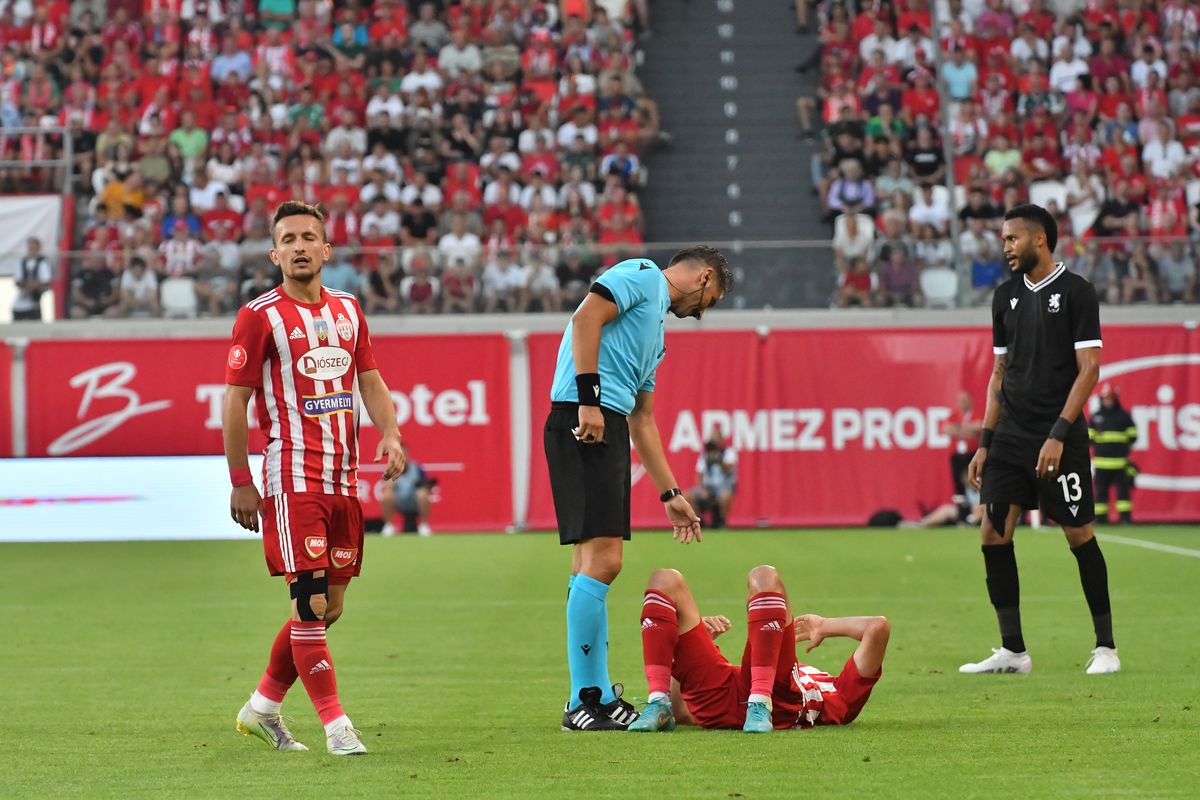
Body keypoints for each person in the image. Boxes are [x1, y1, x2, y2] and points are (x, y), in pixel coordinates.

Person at [223, 201, 405, 756]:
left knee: (332, 606)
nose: (299, 246)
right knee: (310, 605)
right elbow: (235, 402)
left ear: (327, 250)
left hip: (343, 480)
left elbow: (369, 379)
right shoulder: (259, 315)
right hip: (291, 477)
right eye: (288, 239)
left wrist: (392, 433)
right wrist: (240, 479)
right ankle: (336, 726)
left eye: (309, 237)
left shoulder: (349, 310)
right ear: (274, 253)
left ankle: (261, 708)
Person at [547, 246, 732, 731]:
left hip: (605, 421)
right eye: (709, 299)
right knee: (605, 561)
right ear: (703, 276)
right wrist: (588, 400)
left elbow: (643, 420)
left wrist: (671, 495)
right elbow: (586, 318)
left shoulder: (656, 335)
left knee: (588, 563)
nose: (701, 312)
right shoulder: (641, 275)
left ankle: (592, 696)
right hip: (586, 416)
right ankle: (586, 699)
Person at [963, 204, 1120, 676]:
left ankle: (1106, 648)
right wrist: (986, 441)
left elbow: (1089, 371)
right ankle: (1013, 651)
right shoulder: (1004, 297)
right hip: (1010, 433)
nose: (1005, 247)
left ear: (1039, 240)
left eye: (1012, 239)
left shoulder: (1077, 292)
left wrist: (1057, 435)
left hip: (1060, 434)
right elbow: (998, 374)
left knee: (1077, 534)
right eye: (1004, 239)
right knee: (992, 530)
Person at [626, 565, 888, 733]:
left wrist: (824, 626)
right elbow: (681, 713)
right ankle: (657, 702)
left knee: (765, 576)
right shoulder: (836, 691)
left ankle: (760, 703)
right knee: (664, 579)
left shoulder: (843, 698)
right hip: (733, 688)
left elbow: (877, 628)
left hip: (780, 700)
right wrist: (689, 641)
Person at [1089, 383, 1137, 524]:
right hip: (1102, 463)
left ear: (1115, 399)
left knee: (1123, 493)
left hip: (1120, 463)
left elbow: (1133, 436)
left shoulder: (1124, 417)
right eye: (1105, 399)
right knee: (1100, 493)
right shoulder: (1096, 416)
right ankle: (1101, 519)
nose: (1108, 401)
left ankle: (1125, 518)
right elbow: (1089, 437)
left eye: (1110, 399)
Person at [380, 444, 436, 536]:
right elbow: (387, 488)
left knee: (422, 494)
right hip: (399, 502)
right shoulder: (391, 470)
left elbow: (427, 488)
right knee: (387, 495)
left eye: (403, 455)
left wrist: (425, 486)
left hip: (415, 501)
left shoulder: (417, 468)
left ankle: (423, 526)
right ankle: (388, 526)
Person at [687, 429, 738, 528]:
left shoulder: (728, 452)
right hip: (708, 487)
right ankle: (700, 523)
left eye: (716, 438)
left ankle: (721, 522)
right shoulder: (705, 455)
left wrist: (718, 459)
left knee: (725, 495)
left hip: (723, 487)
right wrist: (702, 489)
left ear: (721, 439)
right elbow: (699, 474)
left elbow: (729, 468)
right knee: (686, 497)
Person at [943, 391, 981, 496]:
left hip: (972, 454)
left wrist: (958, 428)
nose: (963, 403)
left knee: (974, 478)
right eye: (961, 401)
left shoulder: (976, 414)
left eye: (965, 400)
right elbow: (946, 429)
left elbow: (979, 426)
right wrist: (968, 431)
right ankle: (961, 500)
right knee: (958, 481)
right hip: (957, 455)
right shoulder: (954, 415)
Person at [12, 237, 51, 321]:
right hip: (23, 294)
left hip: (35, 296)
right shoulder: (23, 261)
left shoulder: (42, 261)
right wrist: (25, 286)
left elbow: (45, 280)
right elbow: (18, 279)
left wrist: (32, 287)